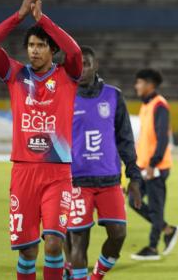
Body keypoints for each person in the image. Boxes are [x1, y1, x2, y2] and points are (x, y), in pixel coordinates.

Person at [0, 0, 82, 280]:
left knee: (53, 243)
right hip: (23, 171)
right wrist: (20, 15)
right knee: (27, 251)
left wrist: (42, 20)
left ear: (52, 49)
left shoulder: (68, 75)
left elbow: (74, 50)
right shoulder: (15, 75)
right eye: (31, 46)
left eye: (40, 45)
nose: (35, 51)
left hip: (57, 173)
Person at [63, 46, 143, 279]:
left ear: (95, 65)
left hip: (109, 180)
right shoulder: (65, 96)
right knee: (78, 239)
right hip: (77, 181)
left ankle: (95, 276)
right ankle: (75, 274)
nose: (82, 68)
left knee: (118, 234)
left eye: (86, 63)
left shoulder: (113, 96)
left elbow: (125, 140)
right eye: (78, 64)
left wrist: (134, 178)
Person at [129, 68, 178, 260]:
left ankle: (152, 247)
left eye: (139, 82)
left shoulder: (160, 105)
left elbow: (162, 138)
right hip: (145, 166)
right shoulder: (146, 105)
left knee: (155, 206)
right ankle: (168, 230)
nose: (136, 86)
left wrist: (153, 164)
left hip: (156, 167)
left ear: (149, 85)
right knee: (133, 201)